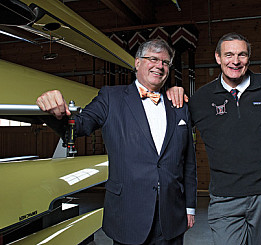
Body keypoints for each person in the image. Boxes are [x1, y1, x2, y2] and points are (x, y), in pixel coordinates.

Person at [36, 39, 197, 245]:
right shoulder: (111, 97)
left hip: (171, 215)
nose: (159, 66)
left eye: (165, 62)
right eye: (153, 59)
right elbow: (80, 126)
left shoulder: (178, 105)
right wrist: (55, 112)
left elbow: (189, 162)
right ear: (137, 63)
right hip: (127, 213)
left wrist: (189, 207)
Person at [168, 33, 261, 245]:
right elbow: (170, 132)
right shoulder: (201, 99)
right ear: (218, 57)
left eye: (241, 55)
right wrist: (171, 93)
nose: (235, 61)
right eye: (229, 55)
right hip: (224, 196)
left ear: (249, 58)